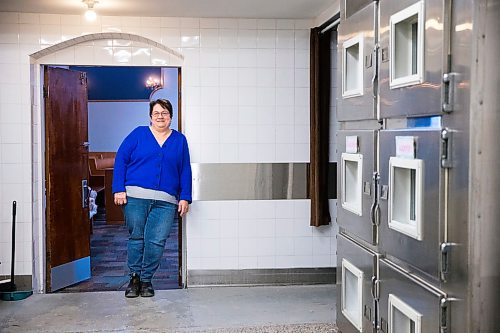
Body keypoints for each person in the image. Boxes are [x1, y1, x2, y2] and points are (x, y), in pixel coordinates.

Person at [112, 98, 192, 298]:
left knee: (156, 240)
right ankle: (134, 278)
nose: (160, 116)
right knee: (137, 237)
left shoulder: (179, 140)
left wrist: (185, 197)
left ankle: (146, 279)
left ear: (171, 117)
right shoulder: (139, 134)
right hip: (135, 197)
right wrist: (118, 189)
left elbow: (185, 169)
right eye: (156, 113)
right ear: (150, 116)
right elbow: (121, 159)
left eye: (164, 113)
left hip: (166, 201)